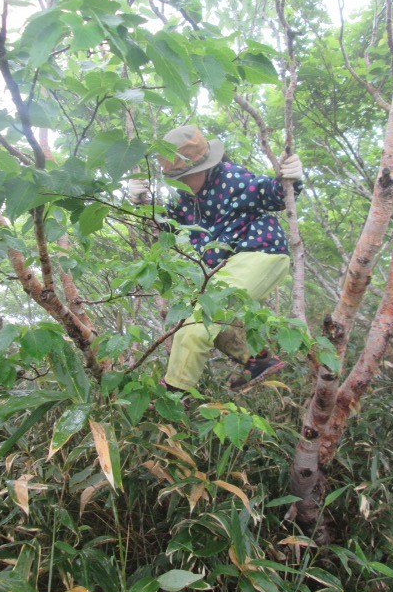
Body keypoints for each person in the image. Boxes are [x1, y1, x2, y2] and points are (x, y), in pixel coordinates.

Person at [129, 125, 303, 392]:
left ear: (205, 167)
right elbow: (166, 225)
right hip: (227, 266)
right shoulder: (184, 199)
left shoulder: (232, 177)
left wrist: (290, 178)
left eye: (186, 176)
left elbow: (272, 194)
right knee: (213, 320)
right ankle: (257, 361)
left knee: (197, 323)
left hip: (260, 254)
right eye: (176, 178)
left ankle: (174, 393)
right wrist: (142, 201)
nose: (182, 184)